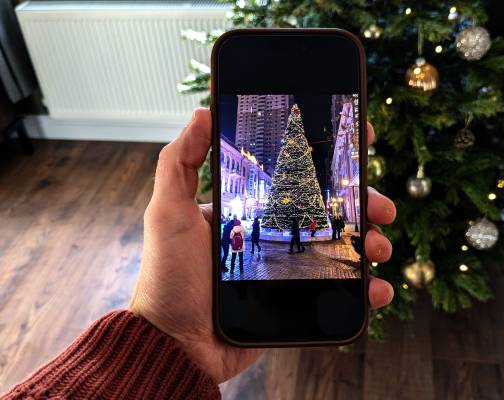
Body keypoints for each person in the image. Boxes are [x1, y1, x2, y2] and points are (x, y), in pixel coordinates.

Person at [2, 108, 397, 399]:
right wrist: (170, 335)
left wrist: (164, 337)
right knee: (242, 261)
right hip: (231, 273)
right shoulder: (243, 219)